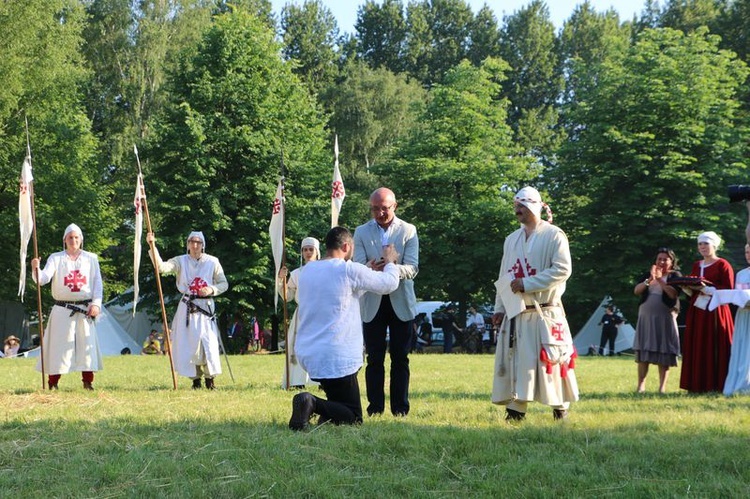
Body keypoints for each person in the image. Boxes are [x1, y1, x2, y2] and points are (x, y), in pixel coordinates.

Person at [288, 227, 400, 430]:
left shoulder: (307, 272)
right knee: (353, 416)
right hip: (337, 355)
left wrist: (367, 270)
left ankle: (324, 412)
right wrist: (390, 261)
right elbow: (389, 284)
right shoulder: (348, 269)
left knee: (338, 401)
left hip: (309, 352)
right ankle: (310, 402)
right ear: (347, 246)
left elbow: (342, 290)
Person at [491, 187, 578, 421]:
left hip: (546, 313)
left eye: (521, 206)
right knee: (518, 363)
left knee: (551, 361)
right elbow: (505, 276)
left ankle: (561, 410)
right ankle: (516, 411)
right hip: (517, 312)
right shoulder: (511, 240)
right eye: (515, 206)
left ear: (533, 207)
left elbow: (562, 270)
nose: (517, 210)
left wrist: (527, 283)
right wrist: (499, 308)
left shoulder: (554, 235)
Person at [353, 187, 419, 417]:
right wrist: (376, 265)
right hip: (372, 302)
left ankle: (400, 409)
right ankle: (375, 408)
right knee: (374, 358)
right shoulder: (360, 232)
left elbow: (412, 268)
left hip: (401, 302)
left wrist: (391, 266)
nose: (380, 213)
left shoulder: (409, 231)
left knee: (400, 357)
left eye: (385, 208)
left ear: (395, 206)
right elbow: (358, 265)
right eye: (375, 209)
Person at [147, 231, 228, 389]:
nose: (195, 245)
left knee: (208, 344)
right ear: (188, 244)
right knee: (190, 344)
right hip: (187, 308)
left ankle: (210, 380)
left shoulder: (213, 262)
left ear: (203, 244)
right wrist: (152, 246)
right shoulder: (180, 261)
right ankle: (195, 380)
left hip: (206, 308)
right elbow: (161, 267)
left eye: (198, 242)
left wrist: (211, 289)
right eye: (192, 241)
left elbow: (223, 283)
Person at [31, 224, 103, 390]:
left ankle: (87, 382)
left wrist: (96, 304)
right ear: (65, 240)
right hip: (62, 309)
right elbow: (43, 279)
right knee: (59, 346)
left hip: (85, 309)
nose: (73, 240)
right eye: (70, 237)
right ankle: (53, 383)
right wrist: (36, 268)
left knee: (86, 346)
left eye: (76, 237)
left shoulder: (91, 258)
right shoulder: (56, 258)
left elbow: (97, 283)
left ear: (81, 239)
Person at [680, 231, 734, 393]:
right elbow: (695, 288)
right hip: (698, 311)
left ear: (714, 245)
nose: (702, 247)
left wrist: (709, 289)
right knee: (698, 344)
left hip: (716, 312)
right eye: (700, 244)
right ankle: (697, 384)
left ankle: (717, 384)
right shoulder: (697, 265)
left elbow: (729, 290)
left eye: (706, 244)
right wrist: (688, 288)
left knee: (714, 344)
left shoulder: (722, 264)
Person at [633, 248, 682, 393]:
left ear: (671, 262)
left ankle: (662, 388)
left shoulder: (675, 276)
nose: (661, 262)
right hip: (646, 318)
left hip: (665, 318)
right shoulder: (648, 275)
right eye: (659, 259)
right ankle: (641, 386)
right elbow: (637, 291)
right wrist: (650, 280)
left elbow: (673, 295)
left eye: (665, 259)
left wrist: (661, 280)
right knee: (643, 351)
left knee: (664, 351)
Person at [278, 237, 321, 389]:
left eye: (311, 249)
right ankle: (297, 380)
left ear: (317, 251)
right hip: (302, 314)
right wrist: (281, 280)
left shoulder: (325, 270)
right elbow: (287, 297)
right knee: (298, 347)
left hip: (319, 314)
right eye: (305, 249)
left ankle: (322, 380)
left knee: (320, 346)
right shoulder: (296, 273)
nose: (308, 252)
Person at [723, 244, 750, 395]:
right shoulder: (740, 274)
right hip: (743, 314)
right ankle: (738, 382)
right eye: (746, 252)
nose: (748, 255)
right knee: (741, 348)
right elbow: (738, 294)